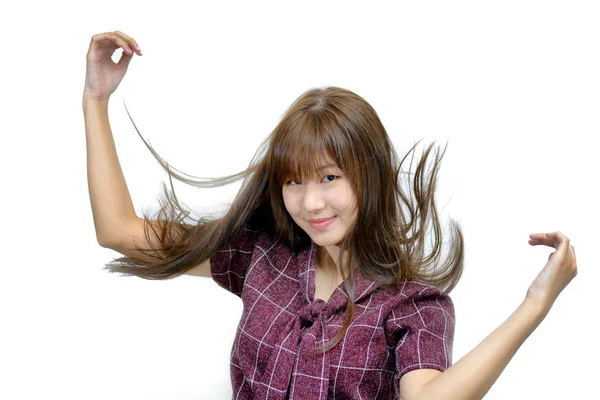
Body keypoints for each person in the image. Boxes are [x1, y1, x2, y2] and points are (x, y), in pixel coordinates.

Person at [83, 30, 578, 400]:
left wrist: (535, 305)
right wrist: (96, 100)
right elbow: (120, 232)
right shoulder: (262, 257)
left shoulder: (411, 307)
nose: (310, 203)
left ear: (369, 175)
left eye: (329, 177)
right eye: (293, 181)